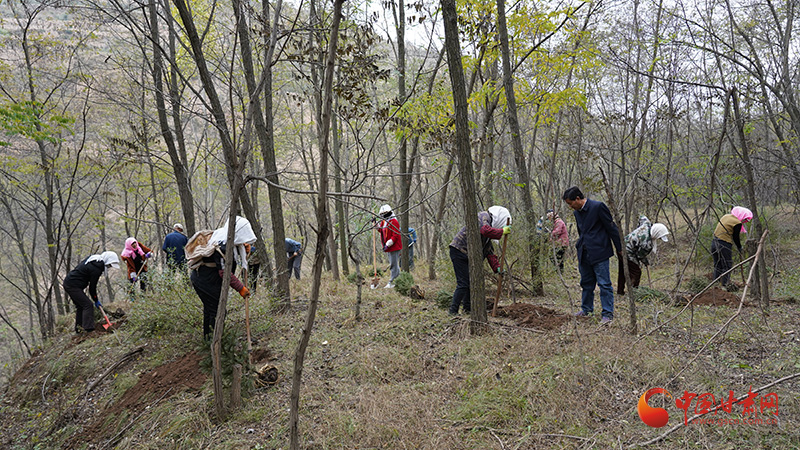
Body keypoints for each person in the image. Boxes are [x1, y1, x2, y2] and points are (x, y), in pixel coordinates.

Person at [186, 216, 255, 339]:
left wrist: (245, 248)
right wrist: (240, 288)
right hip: (205, 281)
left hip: (208, 280)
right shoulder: (222, 244)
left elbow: (233, 251)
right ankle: (215, 341)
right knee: (217, 311)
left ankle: (208, 339)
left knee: (210, 309)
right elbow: (224, 272)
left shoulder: (224, 237)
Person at [563, 187, 622, 324]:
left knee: (604, 284)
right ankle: (587, 310)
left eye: (571, 203)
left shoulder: (598, 207)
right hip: (584, 252)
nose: (570, 206)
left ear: (578, 198)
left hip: (600, 251)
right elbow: (581, 232)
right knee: (586, 283)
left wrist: (620, 248)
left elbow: (611, 228)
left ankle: (607, 314)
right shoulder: (577, 213)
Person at [448, 205, 512, 315]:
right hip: (459, 250)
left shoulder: (487, 239)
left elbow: (490, 253)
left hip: (467, 255)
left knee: (471, 282)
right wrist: (501, 232)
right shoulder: (483, 216)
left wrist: (497, 268)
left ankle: (467, 309)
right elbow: (485, 230)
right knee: (463, 283)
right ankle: (453, 311)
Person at [63, 251, 120, 333]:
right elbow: (92, 287)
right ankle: (89, 329)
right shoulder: (96, 269)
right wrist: (96, 300)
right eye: (109, 265)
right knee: (88, 305)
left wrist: (95, 299)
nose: (109, 267)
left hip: (70, 283)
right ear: (106, 261)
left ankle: (79, 329)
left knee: (80, 306)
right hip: (72, 285)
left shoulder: (95, 260)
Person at [617, 216, 670, 295]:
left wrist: (638, 230)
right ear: (656, 232)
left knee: (623, 270)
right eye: (659, 237)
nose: (658, 239)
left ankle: (620, 292)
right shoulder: (646, 243)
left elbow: (642, 217)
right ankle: (634, 293)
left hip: (620, 246)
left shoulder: (647, 224)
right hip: (627, 251)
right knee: (636, 272)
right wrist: (646, 262)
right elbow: (640, 256)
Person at [712, 206, 753, 288]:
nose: (745, 221)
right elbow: (735, 237)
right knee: (727, 265)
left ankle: (714, 285)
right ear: (741, 215)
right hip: (724, 244)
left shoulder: (726, 216)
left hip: (714, 243)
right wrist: (739, 247)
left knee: (718, 264)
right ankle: (724, 285)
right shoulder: (737, 223)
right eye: (745, 219)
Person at [376, 204, 402, 288]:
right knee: (394, 264)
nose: (383, 215)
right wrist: (375, 224)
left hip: (394, 246)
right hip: (388, 247)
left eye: (385, 213)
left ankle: (393, 282)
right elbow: (382, 231)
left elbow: (395, 235)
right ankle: (398, 280)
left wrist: (388, 243)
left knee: (393, 264)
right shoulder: (384, 221)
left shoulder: (394, 221)